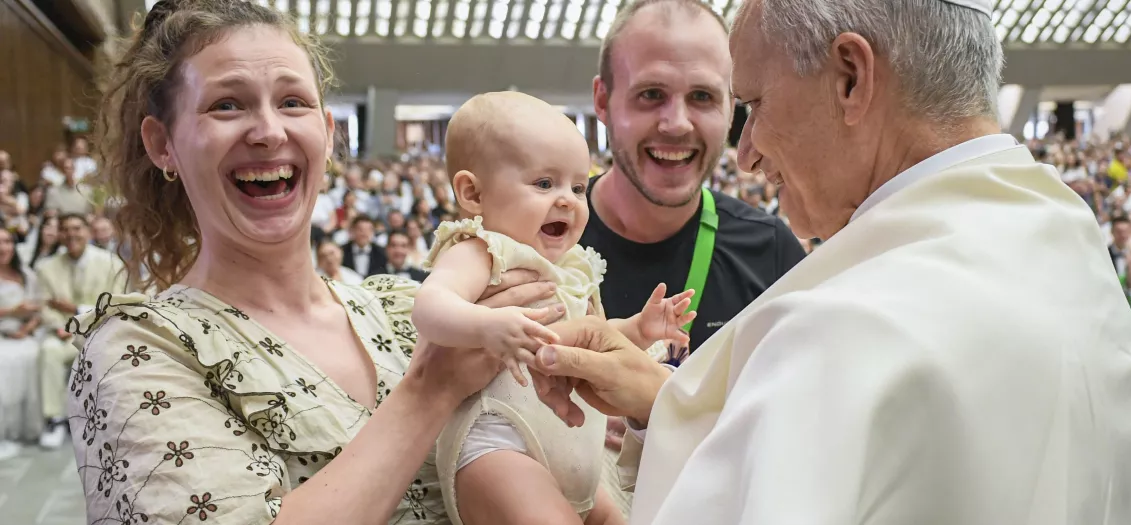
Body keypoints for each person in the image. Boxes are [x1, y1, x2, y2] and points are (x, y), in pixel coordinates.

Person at [529, 0, 1131, 522]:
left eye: (754, 106)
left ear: (851, 78)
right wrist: (666, 404)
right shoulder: (1066, 238)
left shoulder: (842, 325)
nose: (746, 154)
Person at [66, 1, 559, 523]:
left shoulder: (406, 309)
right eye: (227, 105)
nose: (269, 131)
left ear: (326, 132)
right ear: (162, 143)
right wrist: (430, 389)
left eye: (292, 102)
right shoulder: (140, 351)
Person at [413, 91, 693, 525]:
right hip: (499, 443)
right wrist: (486, 325)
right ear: (473, 193)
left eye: (578, 187)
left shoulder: (573, 265)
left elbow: (590, 338)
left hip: (577, 453)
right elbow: (429, 306)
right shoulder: (483, 249)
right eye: (544, 184)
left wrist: (638, 329)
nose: (567, 200)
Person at [580, 0, 805, 355]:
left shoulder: (770, 254)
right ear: (603, 101)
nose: (677, 124)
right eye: (651, 94)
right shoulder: (531, 240)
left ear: (730, 110)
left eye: (702, 96)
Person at [35, 213, 127, 449]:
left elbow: (116, 305)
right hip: (62, 335)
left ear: (88, 231)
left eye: (77, 228)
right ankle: (54, 419)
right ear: (59, 234)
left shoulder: (112, 263)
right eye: (65, 229)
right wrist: (61, 326)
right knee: (48, 350)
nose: (71, 234)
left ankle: (104, 421)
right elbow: (44, 305)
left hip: (100, 332)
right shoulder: (47, 267)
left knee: (105, 353)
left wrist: (77, 314)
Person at [0, 228, 41, 460]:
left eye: (7, 242)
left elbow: (38, 310)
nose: (3, 247)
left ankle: (27, 428)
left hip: (24, 334)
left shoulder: (26, 275)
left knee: (33, 355)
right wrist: (12, 311)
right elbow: (18, 310)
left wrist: (25, 329)